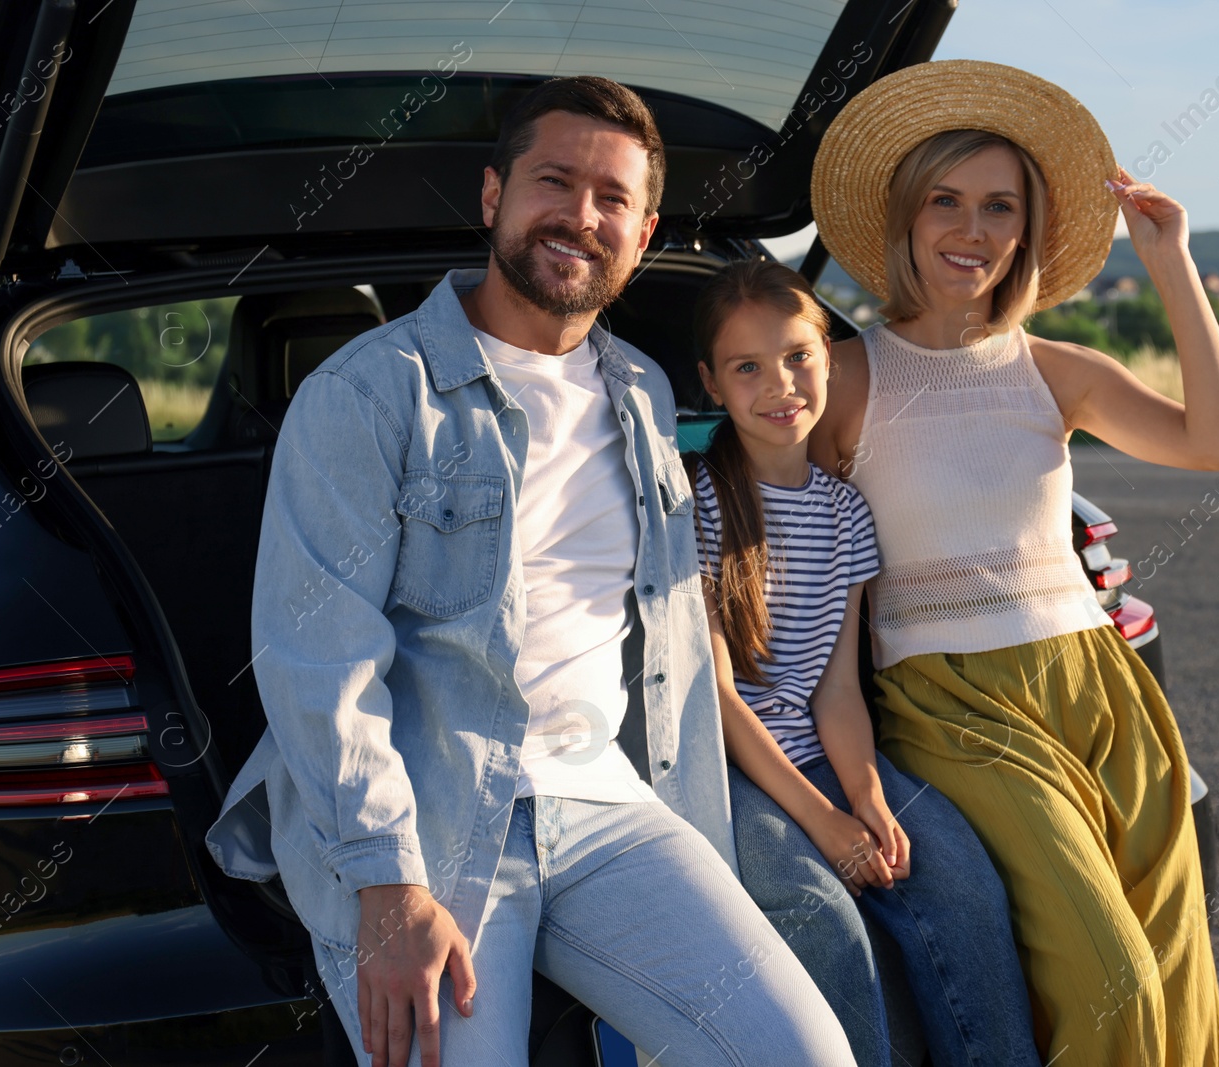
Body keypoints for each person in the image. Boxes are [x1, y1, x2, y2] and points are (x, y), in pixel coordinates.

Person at [203, 76, 854, 1067]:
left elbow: (672, 632)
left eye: (612, 200)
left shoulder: (639, 388)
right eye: (555, 181)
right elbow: (317, 655)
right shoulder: (371, 394)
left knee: (801, 1052)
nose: (580, 216)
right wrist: (388, 885)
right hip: (432, 818)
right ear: (493, 195)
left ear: (642, 239)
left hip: (611, 805)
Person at [806, 60, 1219, 1066]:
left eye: (1000, 207)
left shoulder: (1055, 369)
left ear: (1028, 228)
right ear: (905, 217)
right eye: (946, 201)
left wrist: (1170, 259)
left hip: (1101, 689)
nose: (972, 231)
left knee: (1175, 973)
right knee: (1111, 980)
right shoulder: (839, 379)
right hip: (948, 704)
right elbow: (792, 557)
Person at [686, 260, 1043, 1067]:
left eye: (798, 357)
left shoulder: (846, 511)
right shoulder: (698, 502)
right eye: (747, 367)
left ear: (831, 360)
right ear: (711, 381)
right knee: (822, 917)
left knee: (964, 892)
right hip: (734, 773)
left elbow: (838, 690)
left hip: (826, 753)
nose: (780, 385)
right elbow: (716, 699)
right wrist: (825, 821)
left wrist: (870, 799)